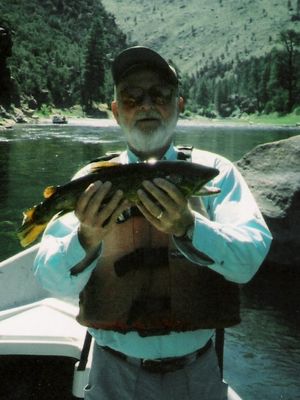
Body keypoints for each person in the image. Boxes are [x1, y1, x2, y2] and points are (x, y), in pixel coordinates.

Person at [33, 46, 272, 400]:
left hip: (198, 375)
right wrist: (85, 237)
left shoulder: (216, 174)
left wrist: (191, 227)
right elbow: (50, 280)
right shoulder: (89, 181)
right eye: (131, 97)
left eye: (160, 94)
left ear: (180, 105)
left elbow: (250, 259)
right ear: (116, 111)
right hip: (111, 375)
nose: (146, 105)